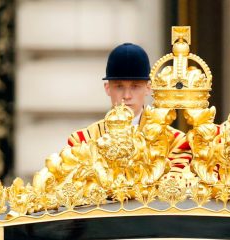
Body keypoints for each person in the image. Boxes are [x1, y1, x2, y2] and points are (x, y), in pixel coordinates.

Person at [67, 43, 192, 173]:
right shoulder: (83, 141)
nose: (126, 96)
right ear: (107, 88)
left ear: (148, 88)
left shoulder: (174, 142)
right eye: (119, 86)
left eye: (135, 86)